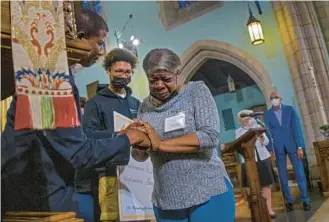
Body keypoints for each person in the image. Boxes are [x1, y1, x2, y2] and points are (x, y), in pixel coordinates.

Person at [1, 8, 150, 217]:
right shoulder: (52, 80)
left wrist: (117, 134)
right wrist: (128, 138)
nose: (101, 50)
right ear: (80, 38)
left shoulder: (47, 73)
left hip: (29, 187)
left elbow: (71, 138)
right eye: (99, 43)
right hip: (38, 196)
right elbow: (78, 153)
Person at [130, 48, 235, 222]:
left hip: (207, 191)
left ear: (178, 74)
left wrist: (160, 144)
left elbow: (209, 136)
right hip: (166, 199)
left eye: (166, 79)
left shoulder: (196, 92)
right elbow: (140, 157)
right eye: (153, 79)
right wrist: (138, 145)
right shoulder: (144, 107)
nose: (159, 85)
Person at [81, 48, 140, 222]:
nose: (123, 75)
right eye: (119, 71)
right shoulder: (95, 102)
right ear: (109, 71)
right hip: (109, 173)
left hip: (136, 172)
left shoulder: (136, 103)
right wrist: (117, 134)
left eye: (128, 72)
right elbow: (88, 135)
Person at [264, 91, 311, 211]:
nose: (274, 99)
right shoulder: (267, 114)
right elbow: (268, 134)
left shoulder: (290, 110)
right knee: (283, 176)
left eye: (276, 97)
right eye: (272, 98)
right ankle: (288, 201)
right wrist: (270, 150)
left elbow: (297, 128)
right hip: (278, 147)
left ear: (281, 99)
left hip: (293, 145)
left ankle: (305, 199)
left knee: (299, 173)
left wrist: (300, 146)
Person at [235, 110, 276, 218]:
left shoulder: (258, 127)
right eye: (246, 120)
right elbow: (239, 145)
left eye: (249, 119)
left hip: (262, 158)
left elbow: (266, 142)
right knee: (252, 186)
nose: (248, 121)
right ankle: (257, 210)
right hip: (248, 160)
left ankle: (269, 209)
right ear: (241, 121)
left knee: (266, 185)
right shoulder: (238, 131)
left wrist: (261, 137)